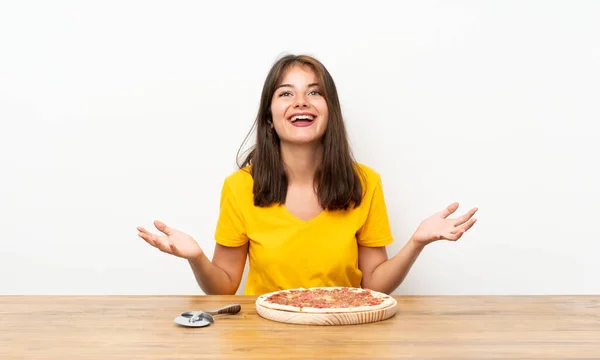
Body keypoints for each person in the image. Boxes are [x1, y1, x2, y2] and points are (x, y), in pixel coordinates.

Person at [137, 54, 478, 296]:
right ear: (270, 117)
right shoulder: (239, 186)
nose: (301, 101)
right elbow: (224, 286)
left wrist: (417, 242)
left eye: (314, 92)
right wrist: (196, 257)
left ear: (331, 111)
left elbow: (373, 284)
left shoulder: (365, 183)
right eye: (286, 93)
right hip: (264, 338)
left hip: (343, 334)